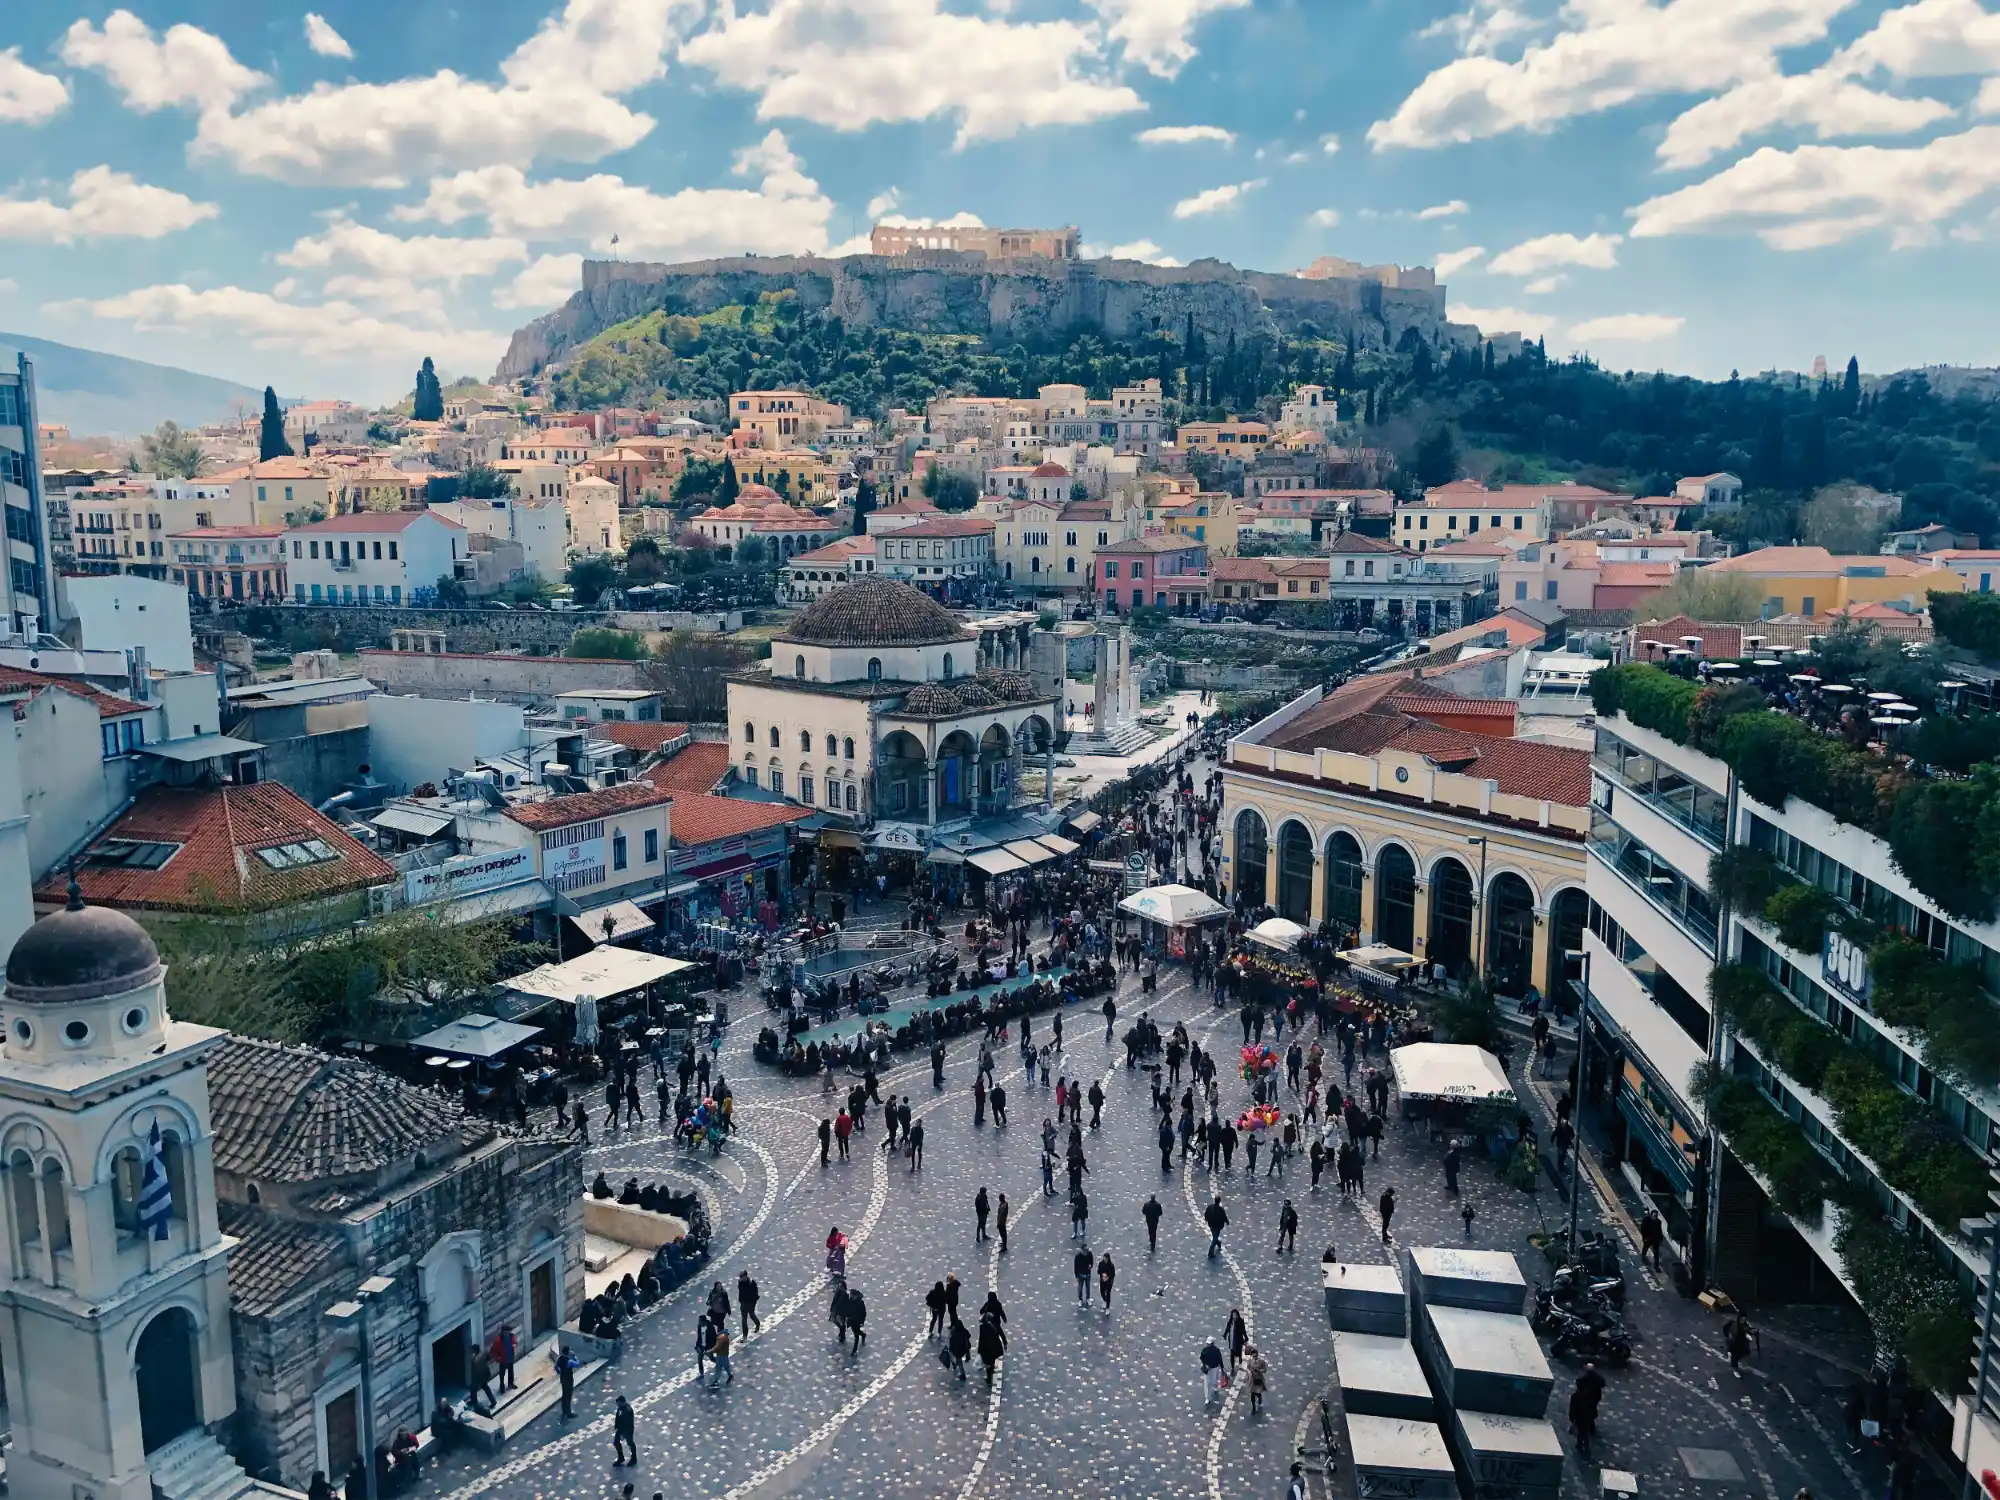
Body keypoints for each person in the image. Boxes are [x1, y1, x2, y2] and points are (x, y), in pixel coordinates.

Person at [1570, 1361, 1605, 1455]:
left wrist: (1572, 1417)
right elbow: (1602, 1383)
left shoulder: (1577, 1396)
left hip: (1581, 1415)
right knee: (1586, 1426)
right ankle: (1588, 1437)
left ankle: (1581, 1444)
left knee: (1582, 1431)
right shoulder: (1597, 1379)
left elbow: (1573, 1407)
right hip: (1591, 1406)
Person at [612, 1394, 637, 1466]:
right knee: (616, 1442)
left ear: (623, 1402)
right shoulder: (620, 1407)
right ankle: (621, 1458)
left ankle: (634, 1458)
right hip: (620, 1429)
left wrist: (623, 1434)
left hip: (627, 1430)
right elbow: (618, 1416)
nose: (618, 1406)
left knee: (630, 1443)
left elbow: (627, 1423)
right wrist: (616, 1426)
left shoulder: (628, 1411)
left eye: (619, 1404)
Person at [708, 1321, 734, 1389]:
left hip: (720, 1356)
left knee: (718, 1369)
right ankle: (730, 1375)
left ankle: (716, 1382)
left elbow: (716, 1348)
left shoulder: (721, 1338)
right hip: (725, 1355)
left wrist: (709, 1351)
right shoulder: (725, 1338)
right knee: (726, 1366)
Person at [1200, 1337, 1226, 1404]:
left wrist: (1222, 1368)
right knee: (1207, 1383)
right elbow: (1202, 1357)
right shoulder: (1205, 1350)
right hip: (1208, 1369)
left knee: (1214, 1380)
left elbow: (1220, 1360)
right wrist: (1205, 1364)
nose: (1208, 1345)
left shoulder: (1216, 1350)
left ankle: (1215, 1387)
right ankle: (1207, 1397)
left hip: (1215, 1368)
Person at [1245, 1345, 1269, 1416]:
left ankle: (1259, 1397)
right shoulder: (1250, 1360)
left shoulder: (1261, 1361)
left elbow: (1265, 1370)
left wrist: (1259, 1370)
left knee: (1258, 1392)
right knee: (1252, 1393)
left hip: (1258, 1378)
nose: (1254, 1358)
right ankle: (1253, 1407)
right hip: (1252, 1379)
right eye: (1253, 1356)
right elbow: (1247, 1368)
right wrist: (1249, 1372)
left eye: (1255, 1356)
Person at [1224, 1307, 1249, 1375]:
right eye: (1233, 1315)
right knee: (1232, 1354)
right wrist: (1225, 1335)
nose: (1234, 1316)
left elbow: (1243, 1331)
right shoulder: (1230, 1322)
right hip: (1232, 1341)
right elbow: (1227, 1329)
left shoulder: (1240, 1322)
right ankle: (1232, 1366)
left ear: (1237, 1315)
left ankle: (1240, 1358)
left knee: (1238, 1352)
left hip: (1238, 1341)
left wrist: (1246, 1337)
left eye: (1235, 1315)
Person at [556, 1345, 577, 1420]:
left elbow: (556, 1367)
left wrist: (560, 1372)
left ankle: (564, 1411)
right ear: (568, 1352)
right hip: (569, 1379)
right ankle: (568, 1412)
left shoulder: (559, 1358)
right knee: (568, 1396)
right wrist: (574, 1356)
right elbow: (577, 1364)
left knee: (564, 1395)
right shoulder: (570, 1361)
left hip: (563, 1379)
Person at [947, 1314, 971, 1379]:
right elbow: (969, 1335)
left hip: (957, 1350)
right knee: (958, 1359)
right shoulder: (964, 1331)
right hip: (963, 1349)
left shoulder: (954, 1334)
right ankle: (956, 1365)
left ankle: (962, 1374)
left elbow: (951, 1343)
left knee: (958, 1361)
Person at [738, 1270, 761, 1335]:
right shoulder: (740, 1282)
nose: (741, 1279)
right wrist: (740, 1300)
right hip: (743, 1303)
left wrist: (753, 1302)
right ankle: (745, 1335)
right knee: (744, 1319)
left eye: (742, 1277)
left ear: (746, 1276)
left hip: (751, 1303)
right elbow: (740, 1291)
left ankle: (757, 1323)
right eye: (740, 1277)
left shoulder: (752, 1282)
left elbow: (755, 1293)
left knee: (751, 1315)